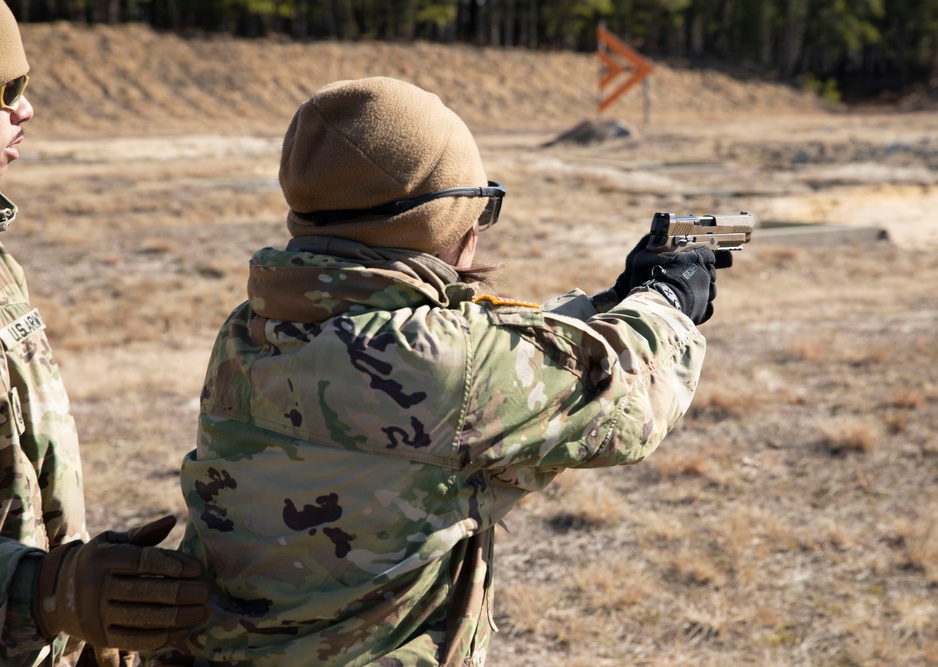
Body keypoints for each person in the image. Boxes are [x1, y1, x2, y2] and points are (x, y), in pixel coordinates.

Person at [159, 76, 726, 667]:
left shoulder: (252, 326)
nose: (479, 229)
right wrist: (668, 299)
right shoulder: (447, 365)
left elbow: (484, 363)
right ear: (437, 221)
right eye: (479, 207)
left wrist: (611, 301)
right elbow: (621, 399)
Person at [0, 5, 210, 666]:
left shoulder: (3, 270)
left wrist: (77, 591)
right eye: (5, 91)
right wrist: (45, 590)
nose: (27, 109)